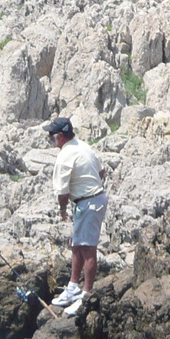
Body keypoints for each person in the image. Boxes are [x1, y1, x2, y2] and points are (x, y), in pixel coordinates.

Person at [43, 116, 107, 317]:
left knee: (88, 247)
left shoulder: (64, 157)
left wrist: (63, 210)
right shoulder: (82, 146)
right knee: (77, 243)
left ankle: (86, 293)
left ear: (60, 136)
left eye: (51, 136)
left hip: (88, 203)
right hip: (88, 201)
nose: (49, 139)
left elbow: (61, 192)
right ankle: (73, 287)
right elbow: (101, 171)